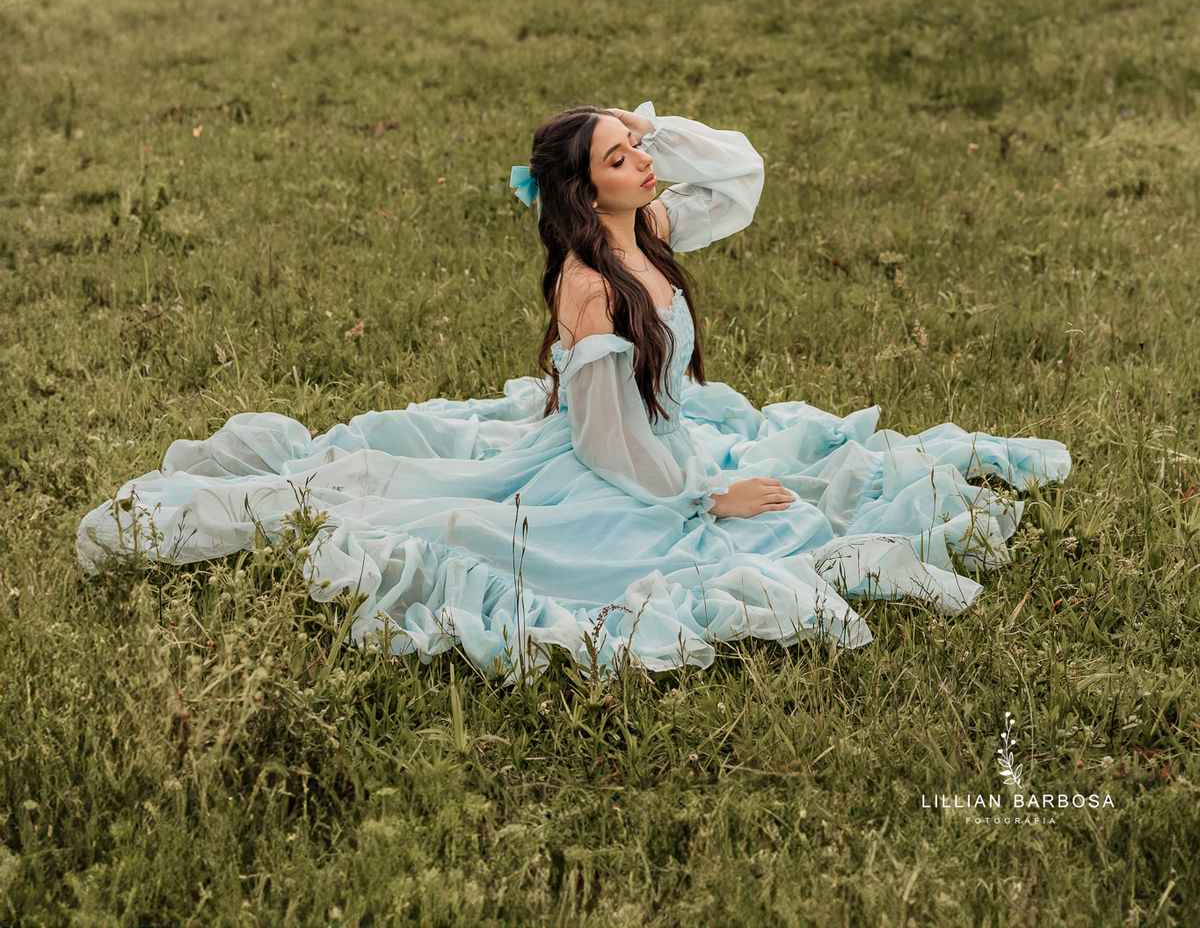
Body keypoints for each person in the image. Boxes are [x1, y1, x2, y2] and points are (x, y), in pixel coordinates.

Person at [78, 102, 1070, 674]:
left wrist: (656, 126)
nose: (641, 164)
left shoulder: (655, 234)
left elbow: (743, 174)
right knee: (683, 545)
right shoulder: (588, 285)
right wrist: (698, 496)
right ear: (585, 190)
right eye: (621, 157)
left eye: (638, 153)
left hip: (668, 434)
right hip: (617, 469)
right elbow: (604, 442)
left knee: (825, 486)